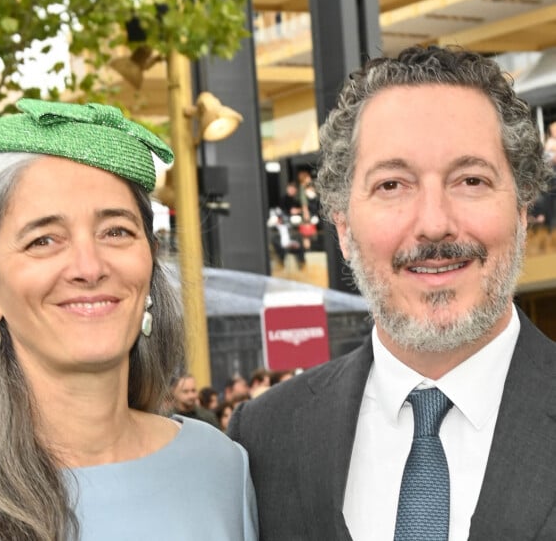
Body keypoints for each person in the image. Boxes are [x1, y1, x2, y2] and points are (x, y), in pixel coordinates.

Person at [228, 45, 556, 541]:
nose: (434, 224)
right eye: (391, 185)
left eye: (470, 180)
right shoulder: (264, 439)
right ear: (342, 225)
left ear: (523, 207)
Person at [0, 98, 257, 541]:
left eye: (116, 232)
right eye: (44, 239)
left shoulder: (222, 469)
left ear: (149, 260)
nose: (89, 267)